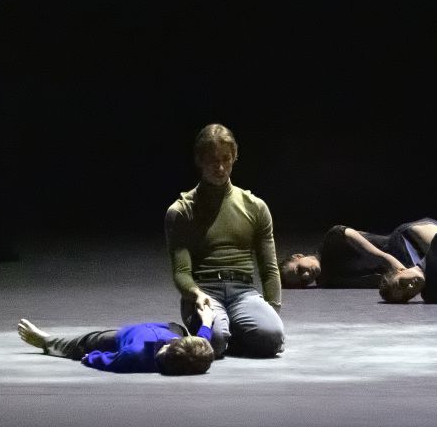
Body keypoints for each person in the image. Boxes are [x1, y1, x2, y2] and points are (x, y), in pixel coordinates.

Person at [165, 124, 284, 357]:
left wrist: (272, 309)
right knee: (215, 342)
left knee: (273, 338)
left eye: (225, 159)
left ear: (235, 157)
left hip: (243, 292)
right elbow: (181, 271)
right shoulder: (182, 211)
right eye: (212, 161)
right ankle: (222, 331)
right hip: (205, 291)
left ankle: (230, 328)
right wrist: (197, 295)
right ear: (199, 160)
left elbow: (269, 268)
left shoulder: (255, 207)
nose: (220, 167)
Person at [15, 302, 216, 375]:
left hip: (123, 337)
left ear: (167, 350)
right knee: (187, 334)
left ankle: (46, 341)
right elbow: (202, 342)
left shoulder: (133, 354)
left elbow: (104, 360)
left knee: (84, 343)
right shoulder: (184, 347)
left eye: (171, 345)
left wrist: (89, 357)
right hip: (167, 329)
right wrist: (206, 320)